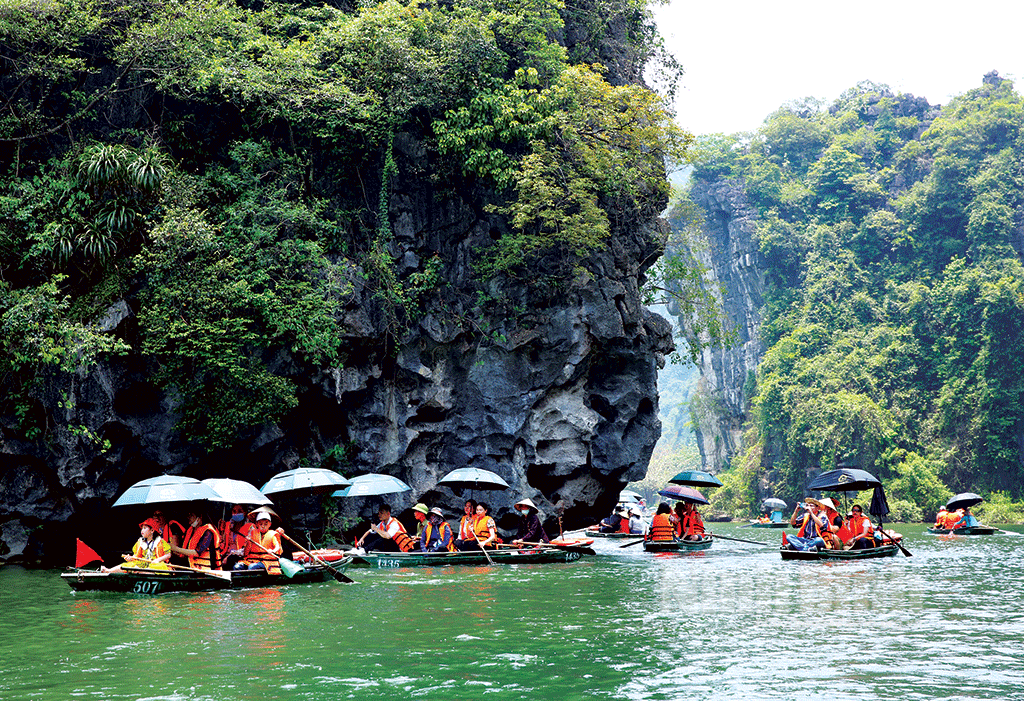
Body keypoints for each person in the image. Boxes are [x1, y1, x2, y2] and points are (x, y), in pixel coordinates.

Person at [101, 518, 171, 573]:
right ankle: (109, 570)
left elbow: (168, 555)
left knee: (159, 567)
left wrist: (158, 560)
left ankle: (141, 571)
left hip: (156, 564)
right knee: (129, 565)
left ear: (152, 530)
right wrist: (131, 558)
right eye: (142, 528)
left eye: (144, 528)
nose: (142, 531)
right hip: (143, 564)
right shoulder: (140, 541)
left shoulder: (160, 541)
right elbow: (136, 556)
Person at [220, 504, 258, 570]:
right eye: (234, 511)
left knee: (231, 559)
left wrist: (230, 555)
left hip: (241, 556)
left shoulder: (250, 527)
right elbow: (223, 543)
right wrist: (221, 531)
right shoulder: (228, 525)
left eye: (239, 511)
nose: (236, 513)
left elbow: (246, 549)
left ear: (245, 512)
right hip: (226, 554)